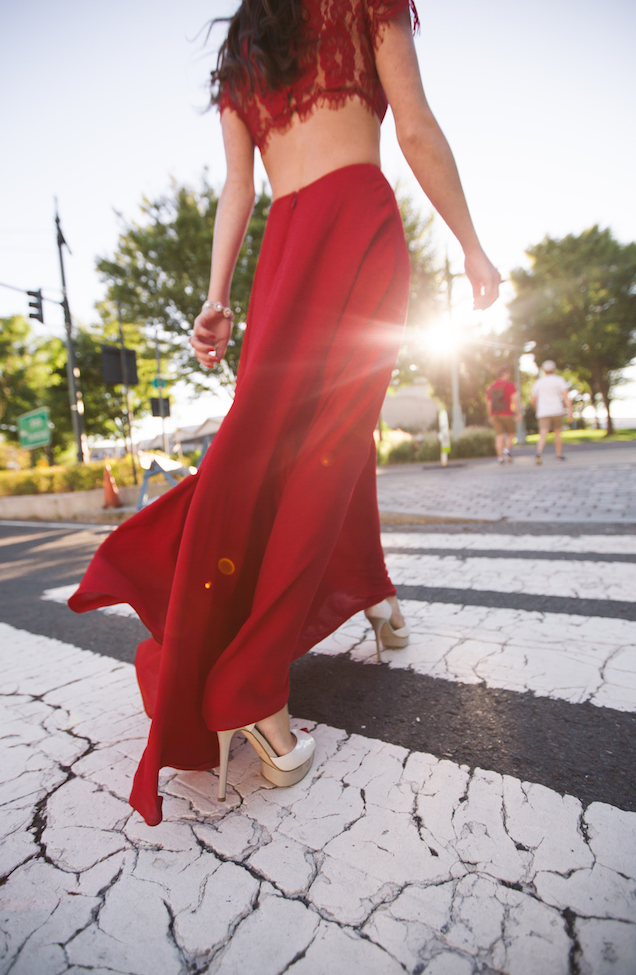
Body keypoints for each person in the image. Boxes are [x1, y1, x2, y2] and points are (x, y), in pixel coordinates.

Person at [68, 0, 500, 826]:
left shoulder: (244, 48)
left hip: (283, 246)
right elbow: (414, 127)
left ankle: (374, 591)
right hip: (356, 224)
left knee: (305, 443)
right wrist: (472, 243)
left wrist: (217, 296)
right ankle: (252, 687)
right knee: (329, 445)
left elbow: (240, 184)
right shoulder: (367, 4)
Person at [531, 360, 573, 464]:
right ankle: (558, 455)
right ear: (554, 369)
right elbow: (566, 397)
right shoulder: (559, 380)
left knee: (543, 433)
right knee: (557, 432)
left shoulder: (539, 382)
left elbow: (533, 399)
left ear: (543, 370)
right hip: (557, 410)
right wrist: (570, 411)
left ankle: (539, 452)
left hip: (543, 411)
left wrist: (537, 408)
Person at [486, 366, 521, 464]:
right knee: (512, 434)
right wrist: (518, 413)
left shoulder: (491, 387)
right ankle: (506, 451)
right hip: (507, 413)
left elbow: (488, 404)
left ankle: (500, 458)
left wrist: (490, 416)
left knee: (499, 436)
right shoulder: (509, 385)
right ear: (505, 374)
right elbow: (515, 400)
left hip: (495, 414)